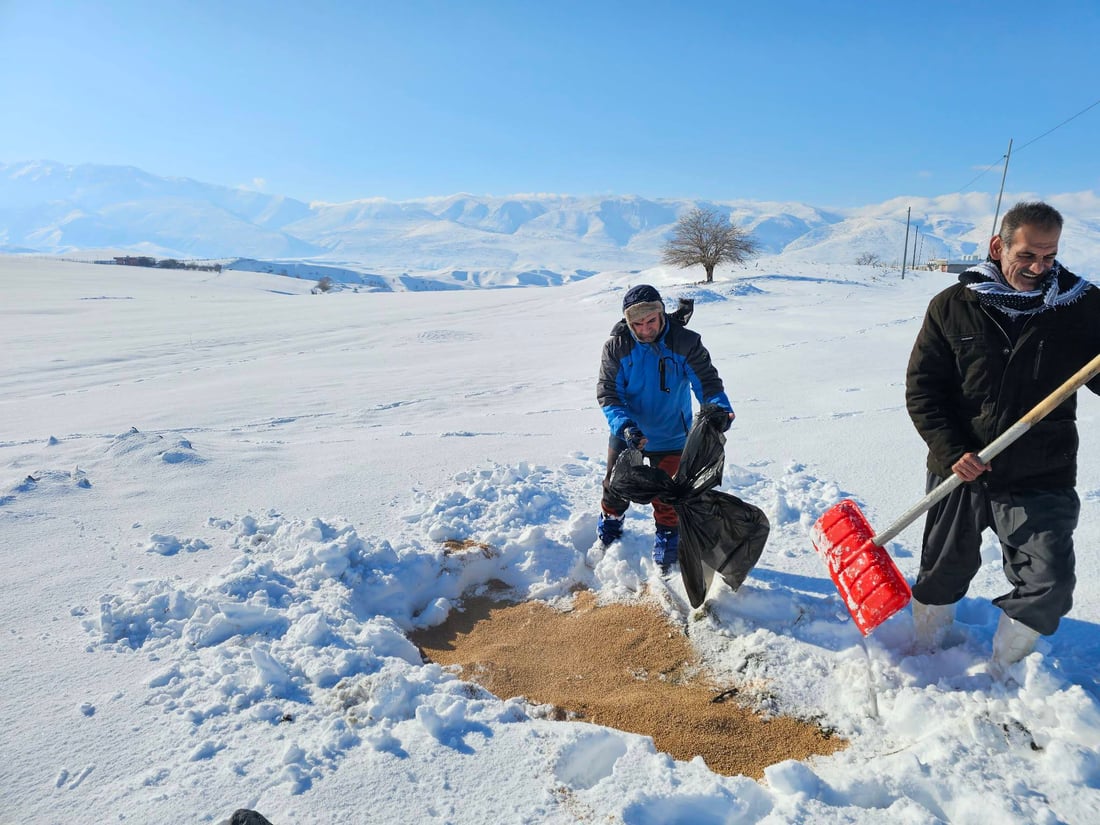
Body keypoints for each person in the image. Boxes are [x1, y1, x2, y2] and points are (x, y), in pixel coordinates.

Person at [905, 201, 1100, 671]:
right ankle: (926, 654)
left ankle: (1007, 673)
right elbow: (923, 390)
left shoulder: (1082, 307)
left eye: (1049, 257)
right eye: (1028, 255)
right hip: (962, 469)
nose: (1039, 268)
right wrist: (953, 451)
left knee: (1049, 581)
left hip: (1041, 470)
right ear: (998, 246)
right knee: (941, 574)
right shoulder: (953, 306)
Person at [596, 284, 734, 572]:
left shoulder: (685, 343)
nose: (645, 330)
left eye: (651, 322)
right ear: (627, 322)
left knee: (669, 494)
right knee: (615, 485)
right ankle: (610, 525)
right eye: (637, 324)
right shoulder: (617, 347)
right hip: (628, 433)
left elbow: (707, 383)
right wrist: (625, 427)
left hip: (672, 433)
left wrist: (718, 410)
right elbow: (609, 394)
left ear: (661, 314)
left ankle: (668, 538)